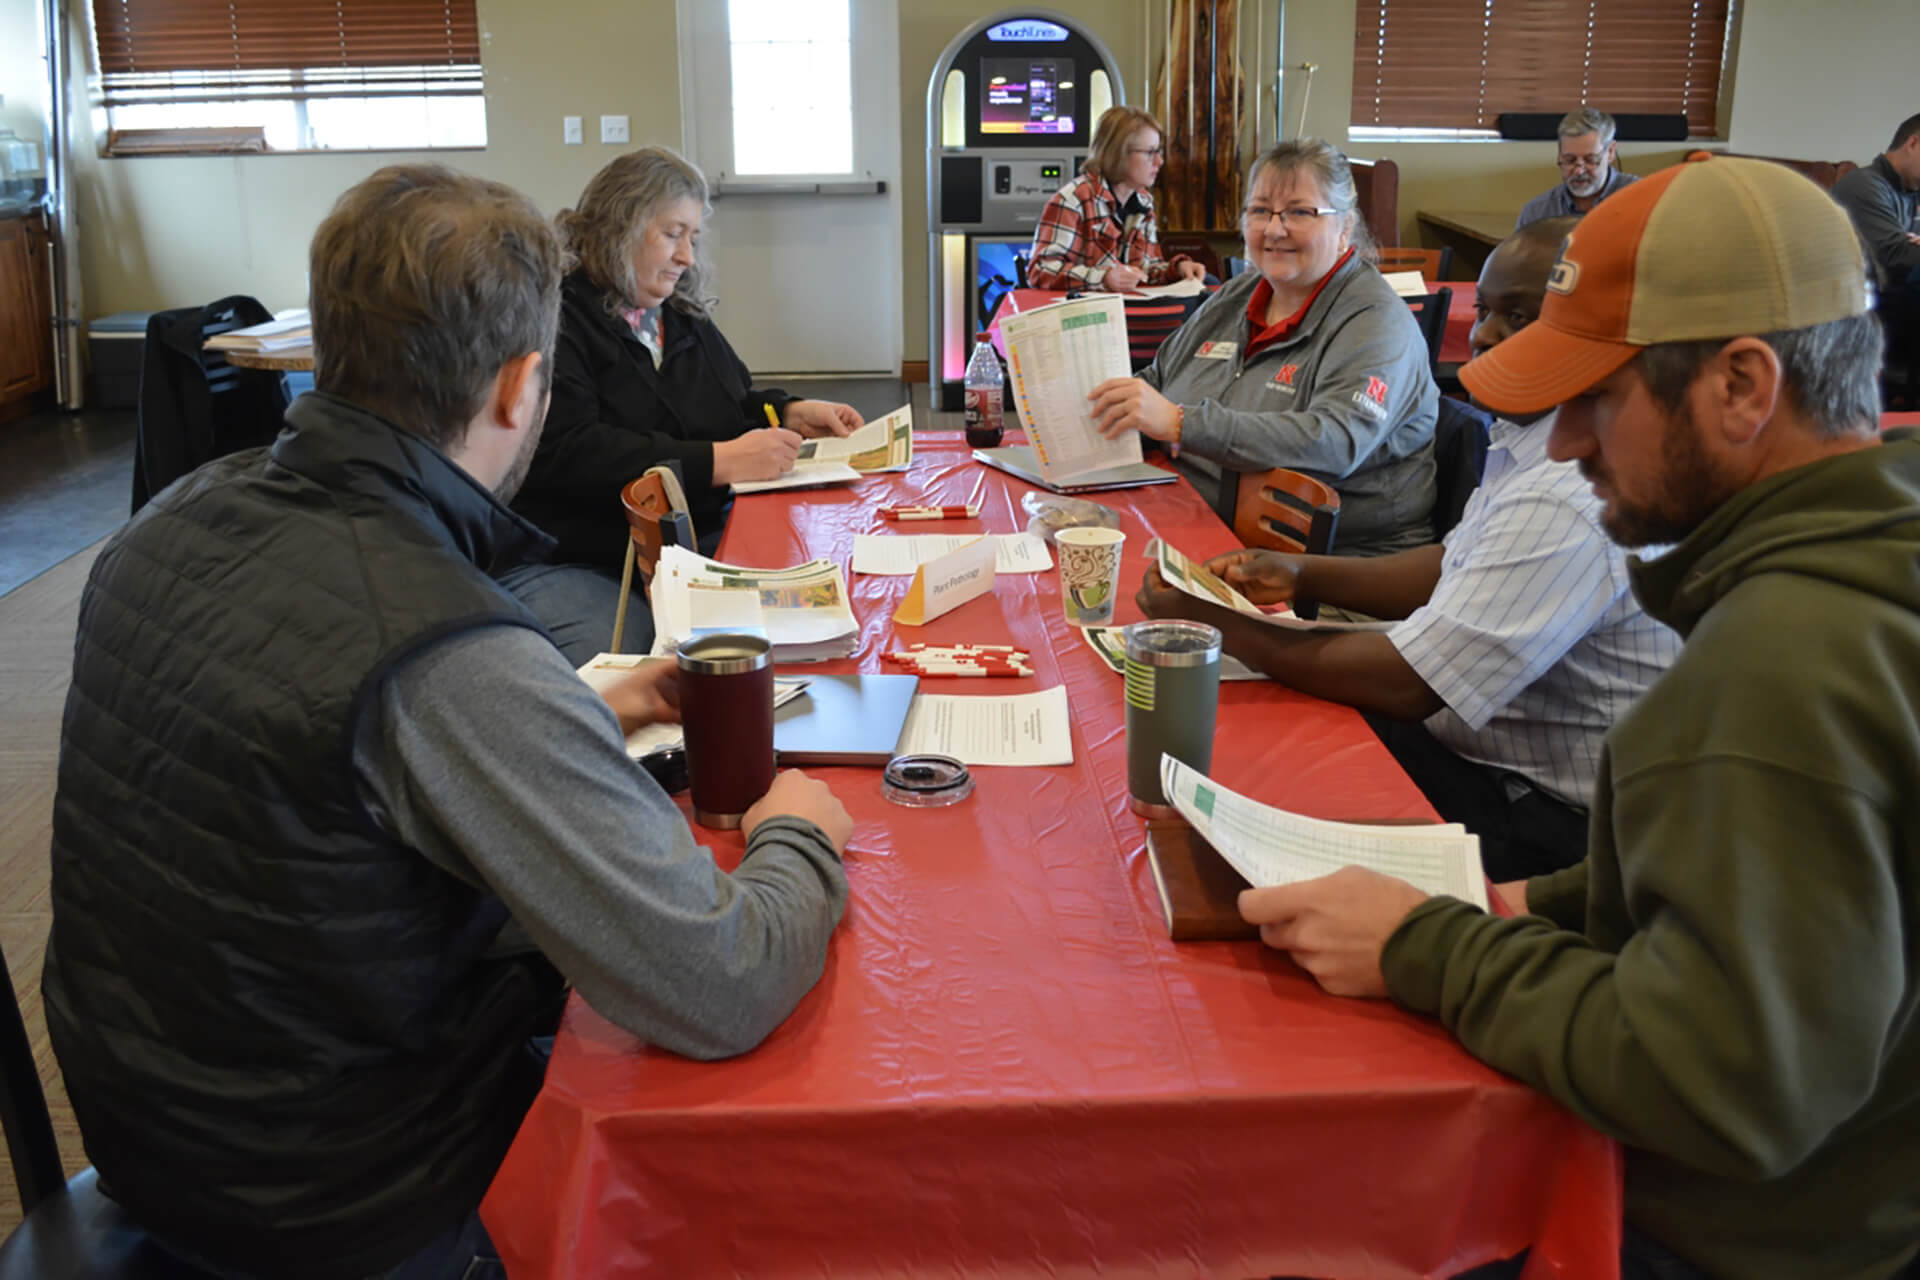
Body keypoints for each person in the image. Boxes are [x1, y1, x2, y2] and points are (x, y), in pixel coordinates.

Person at [41, 164, 854, 1280]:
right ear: (525, 388)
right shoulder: (452, 649)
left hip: (149, 1133)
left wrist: (573, 703)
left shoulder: (166, 519)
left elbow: (306, 767)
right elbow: (720, 983)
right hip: (347, 1200)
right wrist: (801, 831)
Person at [1233, 156, 1920, 1279]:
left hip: (1711, 1235)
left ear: (1744, 387)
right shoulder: (1857, 569)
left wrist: (1427, 944)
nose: (1563, 442)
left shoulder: (1780, 666)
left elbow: (1725, 1081)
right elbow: (1704, 895)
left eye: (1600, 397)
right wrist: (1502, 903)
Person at [1134, 216, 1679, 880]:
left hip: (1542, 822)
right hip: (1471, 750)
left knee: (1240, 814)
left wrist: (1217, 627)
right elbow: (1457, 563)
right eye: (1488, 310)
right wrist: (1303, 576)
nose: (1483, 334)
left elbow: (1409, 682)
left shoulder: (1567, 493)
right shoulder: (1531, 439)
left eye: (1520, 315)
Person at [511, 146, 863, 581]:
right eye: (673, 234)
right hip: (594, 557)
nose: (687, 257)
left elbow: (729, 401)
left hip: (695, 535)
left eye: (692, 239)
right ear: (619, 229)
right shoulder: (559, 319)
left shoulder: (675, 312)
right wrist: (718, 462)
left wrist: (789, 412)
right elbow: (574, 453)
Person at [1087, 138, 1439, 558]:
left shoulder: (1376, 323)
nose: (1274, 229)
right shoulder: (1239, 294)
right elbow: (1159, 380)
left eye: (1299, 212)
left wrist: (1183, 424)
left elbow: (1336, 441)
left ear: (1345, 226)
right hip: (1190, 524)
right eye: (1260, 211)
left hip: (1324, 573)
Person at [1026, 105, 1206, 292]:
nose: (1159, 162)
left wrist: (1176, 270)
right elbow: (1039, 271)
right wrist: (1102, 278)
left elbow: (1145, 270)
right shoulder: (1072, 199)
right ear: (1118, 153)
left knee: (1205, 280)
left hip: (1128, 311)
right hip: (1082, 314)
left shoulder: (1143, 201)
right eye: (1149, 152)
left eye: (1159, 152)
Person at [1832, 112, 1920, 303]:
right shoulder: (1862, 185)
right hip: (1867, 312)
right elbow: (1895, 258)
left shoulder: (1914, 190)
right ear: (1913, 144)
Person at [1513, 107, 1639, 230]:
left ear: (1610, 152)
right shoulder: (1536, 214)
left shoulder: (1643, 199)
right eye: (1569, 160)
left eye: (1590, 160)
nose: (1578, 171)